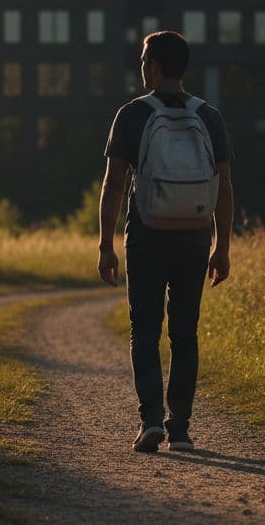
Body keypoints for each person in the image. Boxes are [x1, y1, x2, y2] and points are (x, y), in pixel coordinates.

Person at [98, 31, 234, 453]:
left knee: (145, 329)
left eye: (143, 62)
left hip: (147, 234)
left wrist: (106, 244)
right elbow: (224, 187)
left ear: (155, 67)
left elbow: (114, 182)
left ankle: (151, 421)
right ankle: (180, 427)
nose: (141, 69)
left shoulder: (132, 114)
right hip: (194, 236)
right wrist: (223, 246)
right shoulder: (209, 116)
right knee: (184, 332)